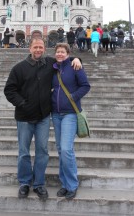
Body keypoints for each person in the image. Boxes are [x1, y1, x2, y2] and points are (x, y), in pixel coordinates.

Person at [4, 37, 81, 200]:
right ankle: (24, 183)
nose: (38, 50)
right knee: (24, 152)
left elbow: (64, 59)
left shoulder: (49, 64)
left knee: (42, 151)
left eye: (41, 47)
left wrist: (77, 60)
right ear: (29, 49)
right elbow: (9, 90)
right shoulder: (18, 68)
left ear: (44, 49)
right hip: (24, 116)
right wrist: (22, 103)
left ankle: (39, 184)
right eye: (35, 47)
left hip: (43, 117)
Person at [51, 43, 91, 200]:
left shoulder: (75, 66)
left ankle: (72, 185)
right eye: (58, 52)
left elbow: (85, 86)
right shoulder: (53, 68)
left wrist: (73, 97)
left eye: (63, 52)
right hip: (55, 113)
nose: (60, 54)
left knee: (67, 150)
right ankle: (64, 183)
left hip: (70, 113)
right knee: (61, 150)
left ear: (68, 54)